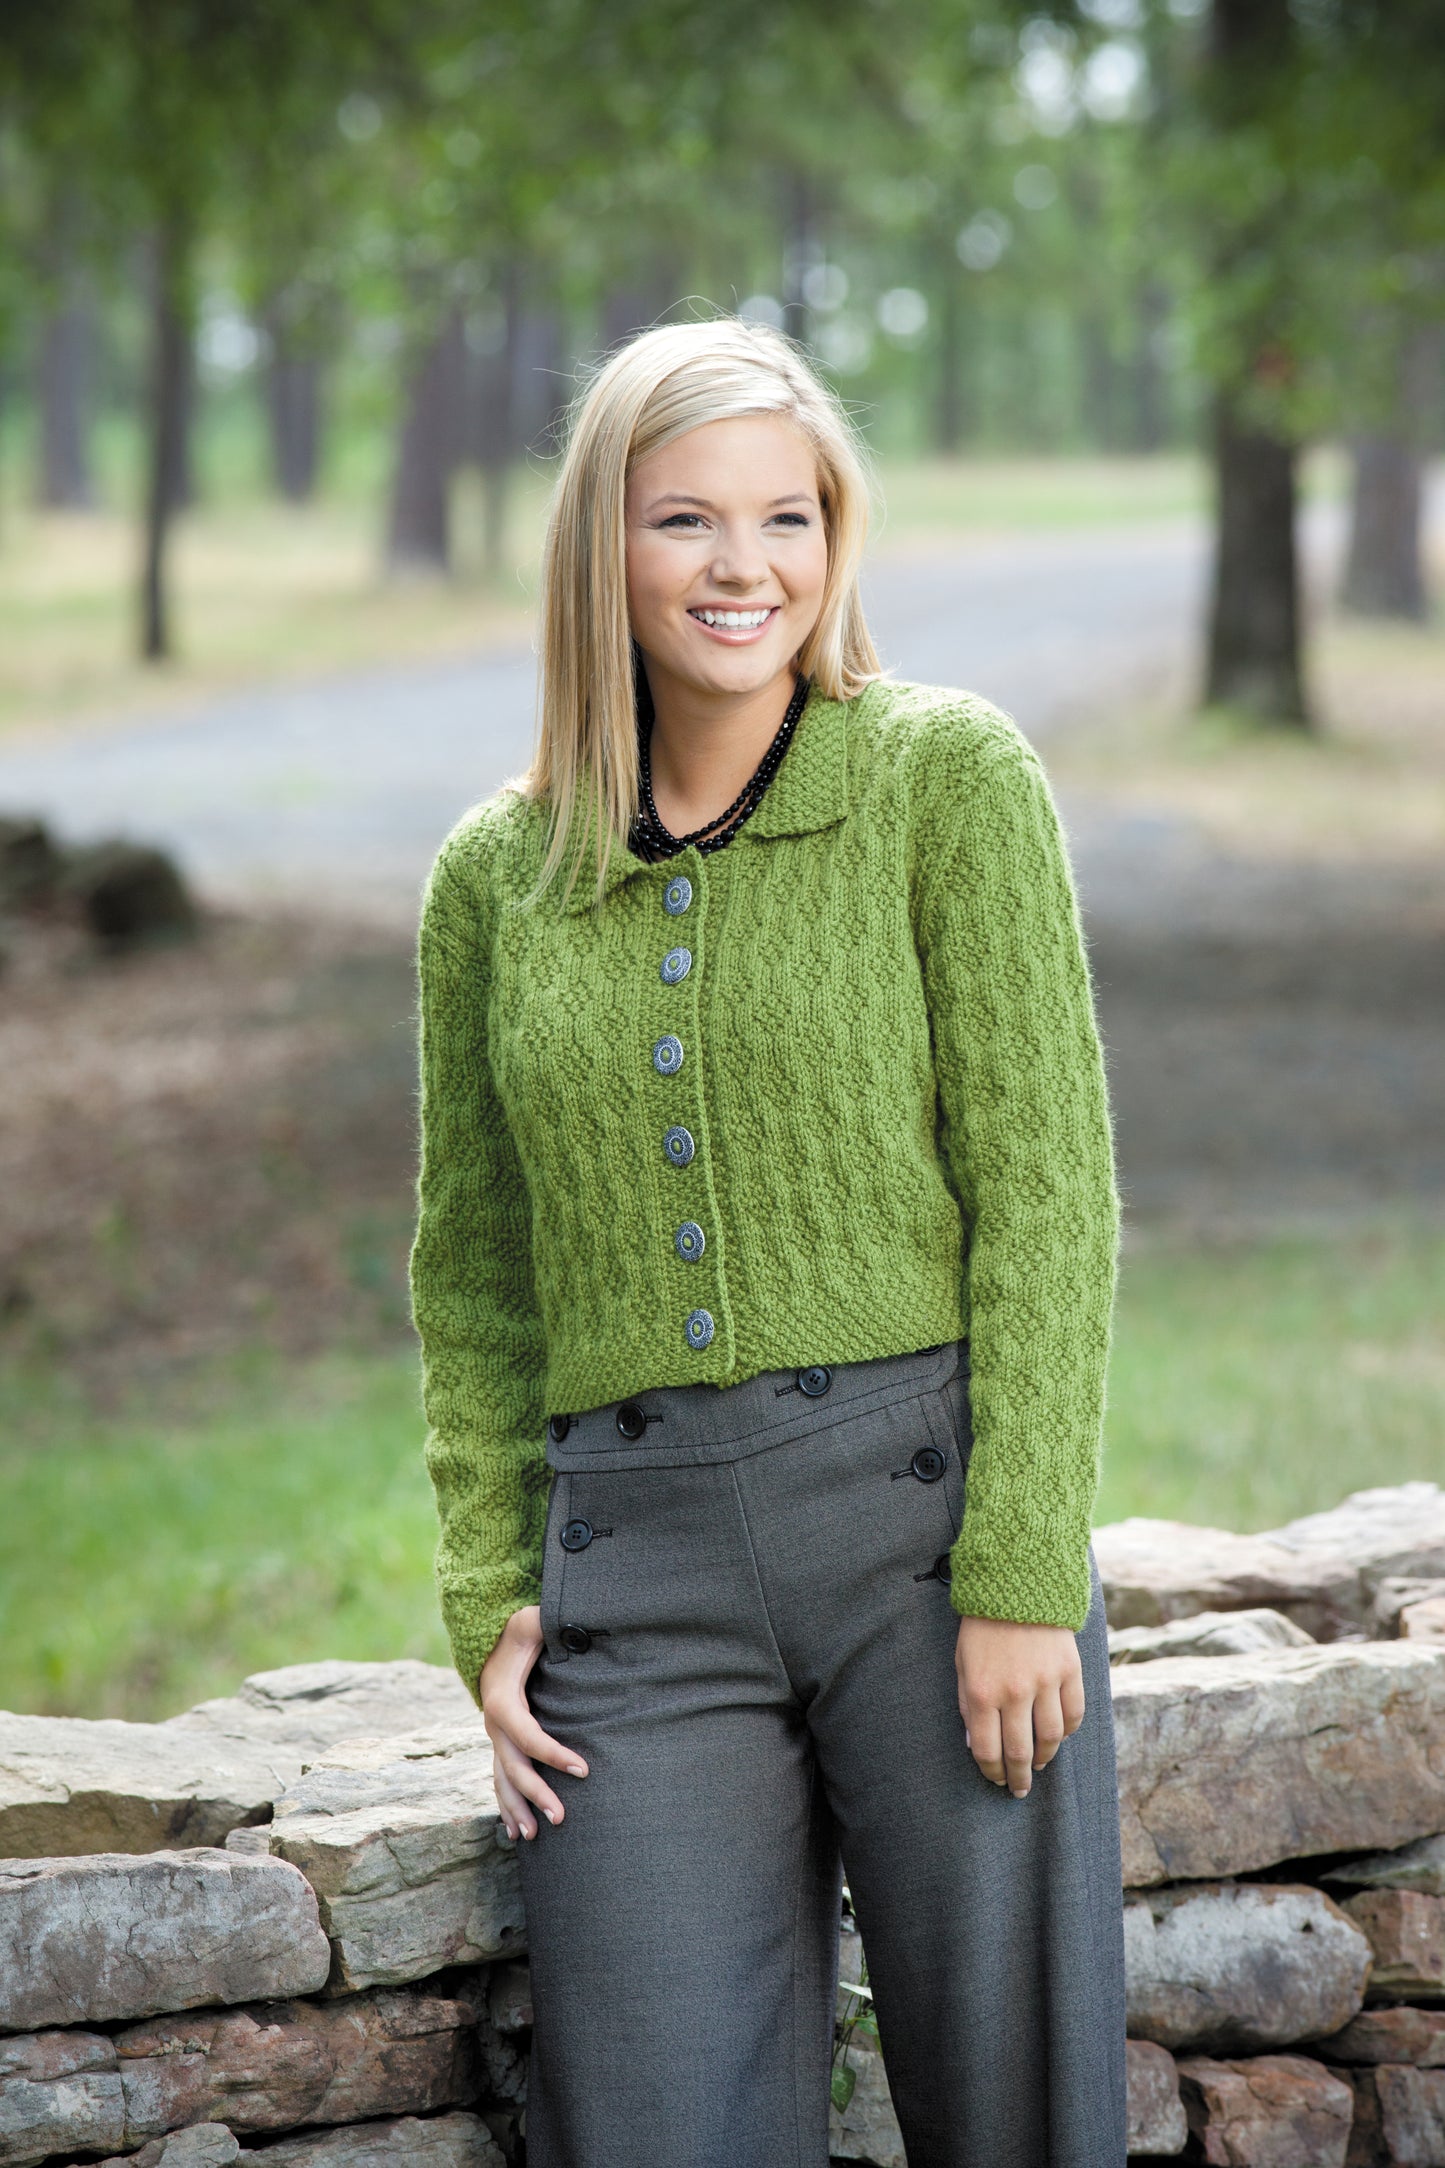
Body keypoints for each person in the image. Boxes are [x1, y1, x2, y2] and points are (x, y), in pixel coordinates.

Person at [409, 315, 1127, 2168]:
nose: (744, 568)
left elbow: (1045, 1191)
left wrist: (1020, 1565)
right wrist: (493, 1585)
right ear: (601, 548)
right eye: (685, 522)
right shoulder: (496, 876)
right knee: (644, 2117)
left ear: (835, 537)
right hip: (629, 1584)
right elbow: (476, 1274)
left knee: (1013, 2107)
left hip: (922, 1536)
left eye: (787, 518)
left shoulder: (941, 780)